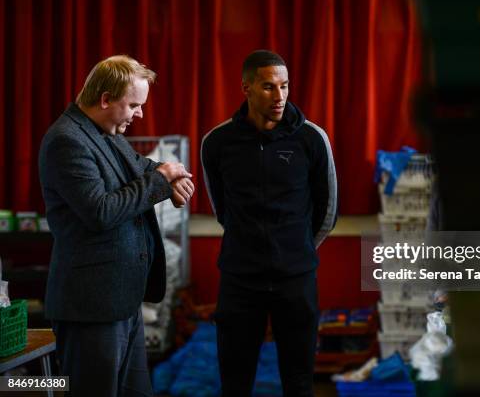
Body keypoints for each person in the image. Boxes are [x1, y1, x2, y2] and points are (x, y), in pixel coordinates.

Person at [38, 55, 194, 396]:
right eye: (134, 105)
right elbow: (100, 211)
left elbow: (140, 164)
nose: (140, 114)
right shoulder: (67, 140)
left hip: (121, 301)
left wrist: (171, 175)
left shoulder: (104, 131)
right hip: (90, 307)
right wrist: (159, 183)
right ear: (106, 99)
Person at [201, 50, 338, 396]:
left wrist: (296, 249)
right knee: (234, 382)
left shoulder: (312, 139)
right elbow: (222, 208)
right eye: (268, 87)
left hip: (296, 279)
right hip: (240, 280)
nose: (279, 96)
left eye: (284, 86)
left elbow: (328, 210)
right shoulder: (217, 142)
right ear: (246, 88)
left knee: (299, 381)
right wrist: (249, 244)